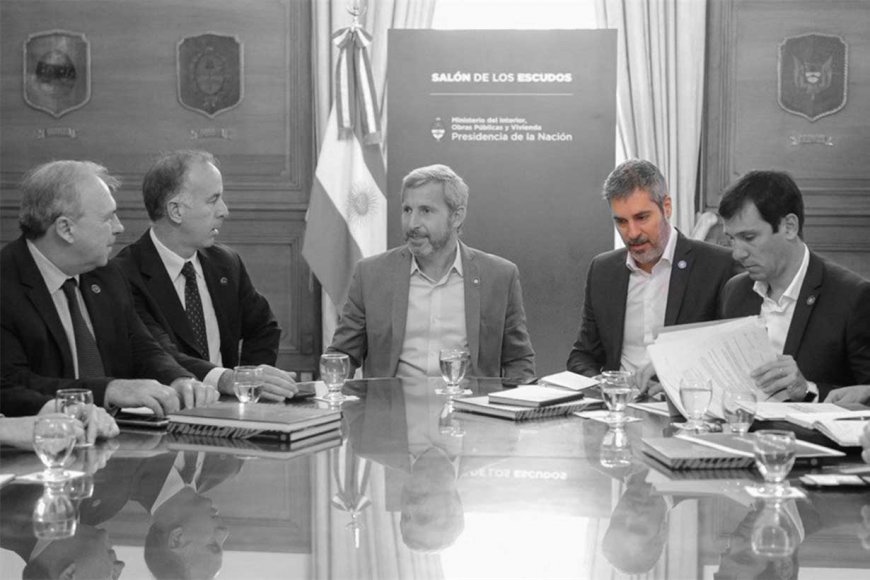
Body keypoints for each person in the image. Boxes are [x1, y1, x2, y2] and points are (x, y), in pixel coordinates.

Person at [0, 161, 216, 417]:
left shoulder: (107, 274)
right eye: (107, 218)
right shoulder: (7, 284)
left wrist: (177, 379)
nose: (119, 227)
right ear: (66, 229)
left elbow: (141, 347)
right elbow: (10, 385)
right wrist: (109, 390)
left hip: (120, 432)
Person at [113, 150, 297, 401]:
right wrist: (227, 379)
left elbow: (263, 327)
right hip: (170, 412)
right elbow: (159, 353)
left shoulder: (226, 263)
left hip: (231, 409)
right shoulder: (124, 275)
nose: (224, 211)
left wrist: (249, 385)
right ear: (176, 210)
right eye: (213, 200)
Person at [329, 164, 535, 381]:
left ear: (456, 216)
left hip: (471, 401)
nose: (412, 224)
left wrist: (518, 399)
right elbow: (341, 356)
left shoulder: (499, 276)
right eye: (407, 210)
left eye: (425, 211)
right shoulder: (370, 274)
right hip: (391, 401)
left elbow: (518, 361)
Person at [566, 159, 735, 393]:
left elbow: (730, 360)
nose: (632, 233)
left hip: (684, 406)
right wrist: (603, 385)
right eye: (621, 222)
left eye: (642, 217)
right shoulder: (603, 270)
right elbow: (582, 356)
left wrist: (677, 382)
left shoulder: (718, 266)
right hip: (616, 406)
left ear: (667, 207)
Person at [719, 170, 870, 402]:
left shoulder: (852, 297)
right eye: (731, 239)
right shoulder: (735, 291)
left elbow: (865, 393)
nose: (737, 254)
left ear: (789, 226)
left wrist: (808, 389)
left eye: (749, 238)